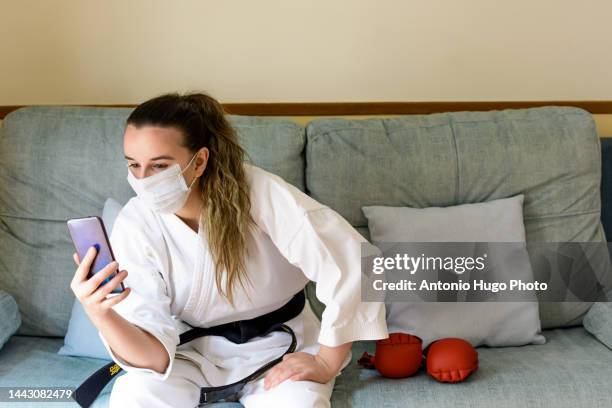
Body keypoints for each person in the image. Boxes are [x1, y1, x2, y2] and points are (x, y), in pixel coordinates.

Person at [70, 92, 389, 408]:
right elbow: (153, 358)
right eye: (134, 165)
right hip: (189, 355)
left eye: (159, 165)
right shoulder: (136, 223)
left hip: (279, 348)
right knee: (134, 397)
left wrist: (325, 362)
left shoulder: (260, 193)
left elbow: (355, 261)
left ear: (200, 161)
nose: (143, 180)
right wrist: (101, 314)